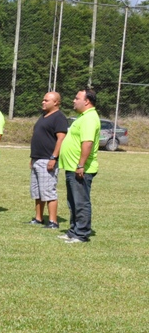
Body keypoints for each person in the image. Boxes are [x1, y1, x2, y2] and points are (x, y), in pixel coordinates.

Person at [58, 87, 101, 243]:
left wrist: (81, 165)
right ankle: (73, 231)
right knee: (73, 201)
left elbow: (87, 143)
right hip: (72, 167)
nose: (73, 101)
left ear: (87, 101)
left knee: (81, 201)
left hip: (81, 169)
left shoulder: (90, 118)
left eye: (77, 98)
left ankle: (81, 234)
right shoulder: (82, 117)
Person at [28, 91, 67, 229]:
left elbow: (61, 138)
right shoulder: (44, 116)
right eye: (43, 100)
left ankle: (53, 221)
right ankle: (38, 218)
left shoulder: (59, 117)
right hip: (37, 159)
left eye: (46, 100)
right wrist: (33, 158)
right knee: (37, 192)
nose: (43, 102)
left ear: (56, 102)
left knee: (48, 191)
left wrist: (54, 157)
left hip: (47, 159)